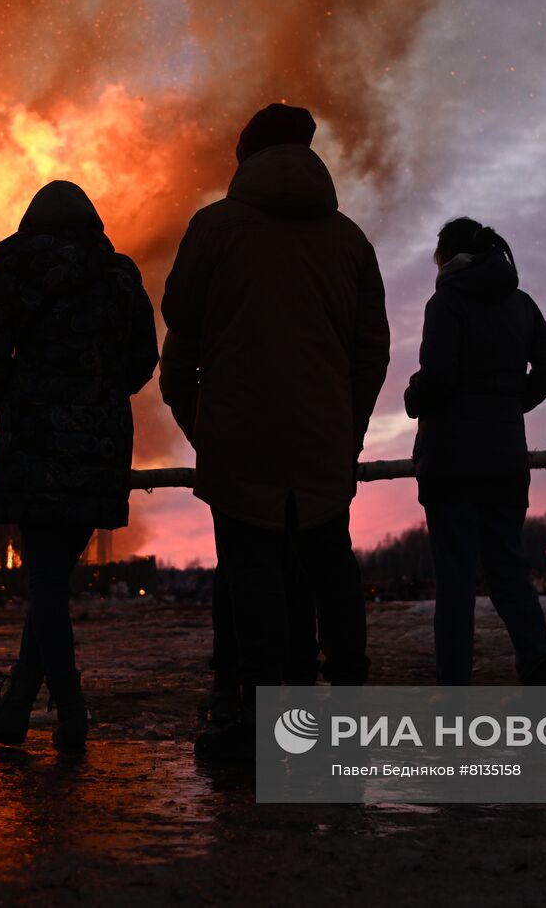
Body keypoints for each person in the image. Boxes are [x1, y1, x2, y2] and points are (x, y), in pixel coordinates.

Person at [160, 103, 390, 759]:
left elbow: (181, 332)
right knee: (330, 569)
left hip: (238, 441)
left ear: (246, 157)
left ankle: (259, 726)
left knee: (248, 577)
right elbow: (370, 353)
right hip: (322, 443)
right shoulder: (350, 242)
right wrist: (345, 431)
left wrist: (201, 424)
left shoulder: (215, 227)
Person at [0, 180, 157, 752]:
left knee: (45, 581)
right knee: (51, 578)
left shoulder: (18, 269)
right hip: (101, 453)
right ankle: (18, 706)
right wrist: (100, 398)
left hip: (37, 448)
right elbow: (143, 360)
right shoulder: (120, 279)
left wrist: (16, 402)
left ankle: (70, 710)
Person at [404, 218, 546, 686]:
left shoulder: (447, 301)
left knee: (455, 582)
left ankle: (453, 688)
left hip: (452, 460)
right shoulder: (520, 302)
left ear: (447, 256)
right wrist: (512, 404)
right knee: (509, 569)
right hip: (505, 458)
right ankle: (537, 664)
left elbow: (439, 373)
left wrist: (414, 398)